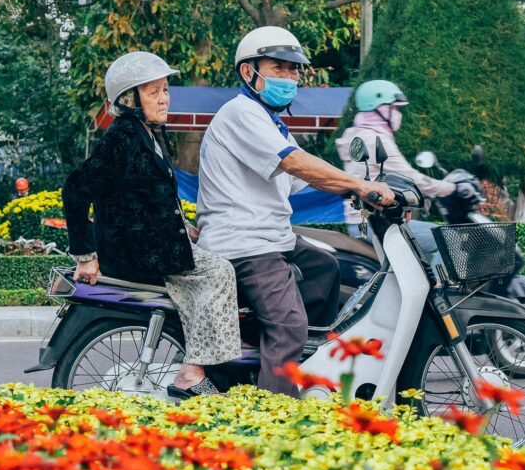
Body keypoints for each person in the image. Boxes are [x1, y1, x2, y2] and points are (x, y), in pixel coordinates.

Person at [196, 26, 394, 398]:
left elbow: (310, 179)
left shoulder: (271, 121)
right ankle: (275, 416)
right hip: (244, 244)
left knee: (326, 269)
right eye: (279, 68)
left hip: (271, 239)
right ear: (248, 72)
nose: (289, 77)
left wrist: (361, 190)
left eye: (293, 69)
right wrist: (357, 185)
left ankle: (283, 361)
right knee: (288, 324)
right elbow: (298, 164)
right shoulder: (241, 113)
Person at [61, 51, 241, 398]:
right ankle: (193, 370)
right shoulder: (122, 137)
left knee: (213, 261)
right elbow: (75, 189)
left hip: (154, 242)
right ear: (130, 100)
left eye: (165, 90)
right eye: (153, 91)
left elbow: (150, 192)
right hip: (136, 252)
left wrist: (184, 225)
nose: (164, 98)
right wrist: (85, 255)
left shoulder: (151, 132)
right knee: (219, 271)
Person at [335, 79, 467, 239]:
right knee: (451, 239)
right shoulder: (374, 139)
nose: (398, 113)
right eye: (395, 108)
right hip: (376, 223)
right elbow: (410, 178)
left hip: (362, 221)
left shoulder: (359, 135)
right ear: (380, 109)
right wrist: (451, 188)